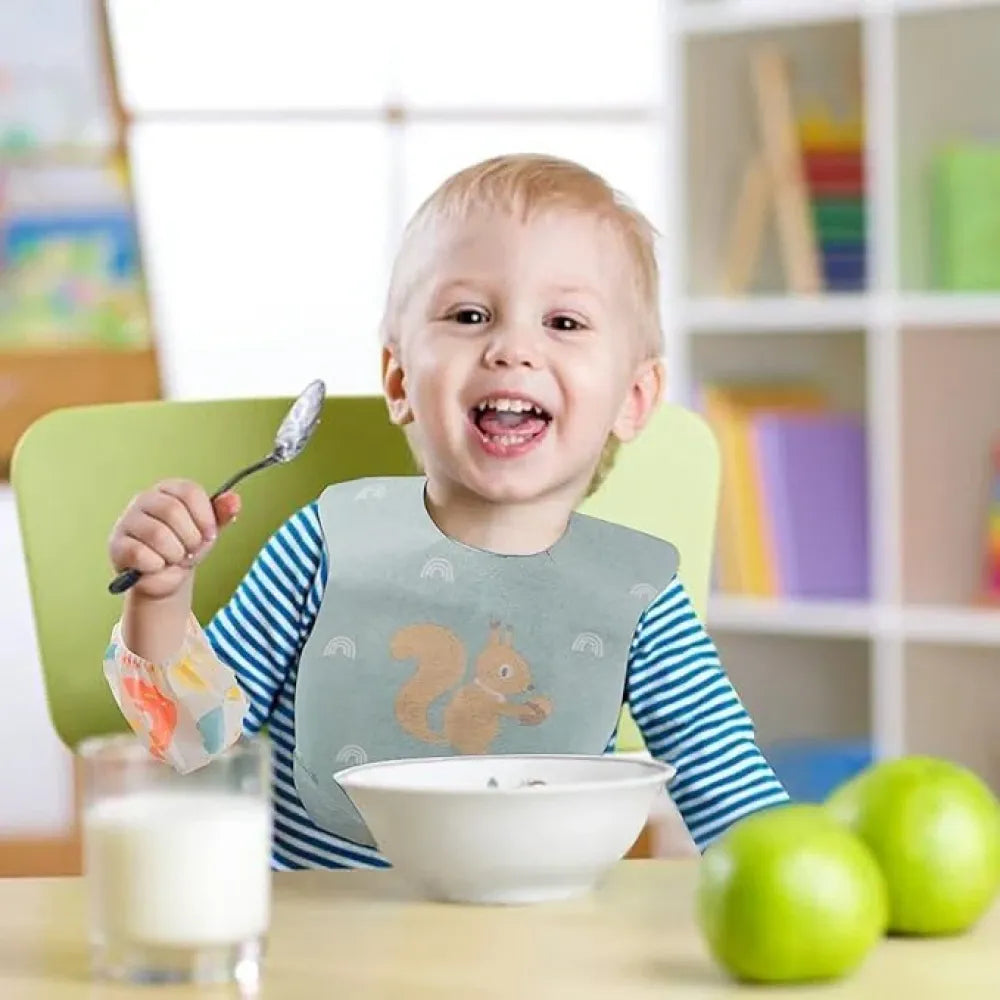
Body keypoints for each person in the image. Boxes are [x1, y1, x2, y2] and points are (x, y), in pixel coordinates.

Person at [103, 153, 788, 870]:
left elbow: (733, 795)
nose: (513, 349)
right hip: (320, 952)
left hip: (534, 955)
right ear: (399, 379)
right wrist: (161, 596)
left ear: (634, 398)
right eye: (469, 315)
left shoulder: (639, 598)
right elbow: (190, 743)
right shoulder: (326, 546)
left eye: (564, 321)